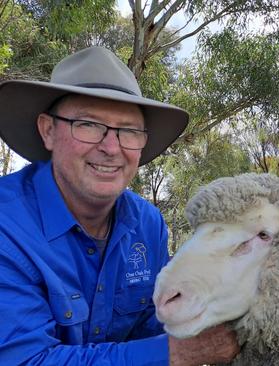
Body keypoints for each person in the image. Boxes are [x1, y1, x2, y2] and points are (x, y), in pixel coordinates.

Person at [0, 47, 239, 365]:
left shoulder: (147, 224)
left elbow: (155, 324)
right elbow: (26, 360)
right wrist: (177, 353)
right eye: (87, 124)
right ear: (48, 130)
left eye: (128, 131)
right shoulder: (8, 227)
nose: (111, 148)